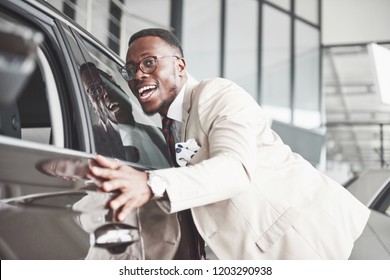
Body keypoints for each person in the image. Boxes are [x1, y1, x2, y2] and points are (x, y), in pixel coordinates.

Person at [88, 28, 370, 260]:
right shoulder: (162, 128)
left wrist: (149, 183)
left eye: (149, 63)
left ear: (180, 66)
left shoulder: (217, 94)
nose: (138, 75)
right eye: (131, 69)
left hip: (298, 242)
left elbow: (235, 169)